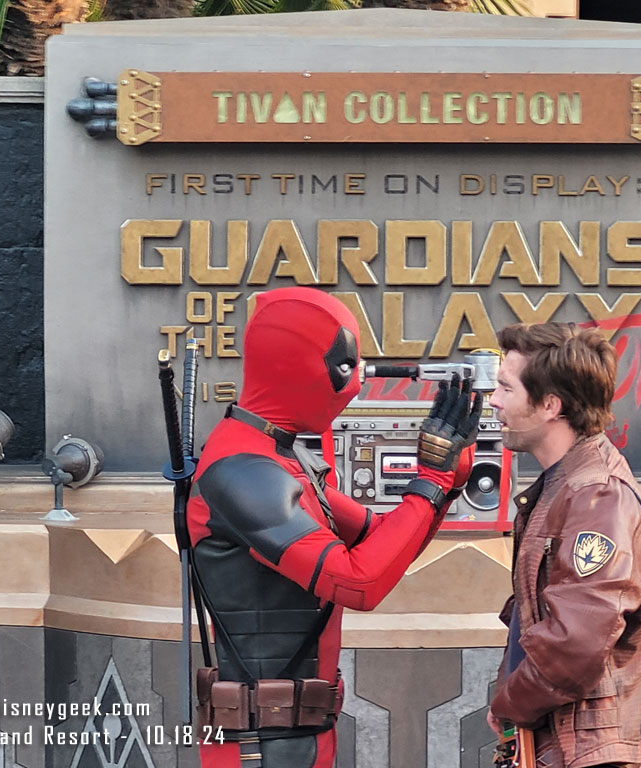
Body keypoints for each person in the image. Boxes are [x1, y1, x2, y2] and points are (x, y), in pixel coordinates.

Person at [187, 287, 480, 768]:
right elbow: (358, 582)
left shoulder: (281, 458)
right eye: (343, 367)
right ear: (294, 365)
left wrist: (447, 482)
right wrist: (430, 480)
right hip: (259, 743)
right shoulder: (243, 472)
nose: (356, 383)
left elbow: (380, 541)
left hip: (298, 731)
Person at [485, 321, 641, 768]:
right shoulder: (566, 484)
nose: (494, 401)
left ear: (550, 405)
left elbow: (576, 644)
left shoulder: (596, 498)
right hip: (568, 744)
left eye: (506, 389)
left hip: (588, 753)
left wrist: (507, 705)